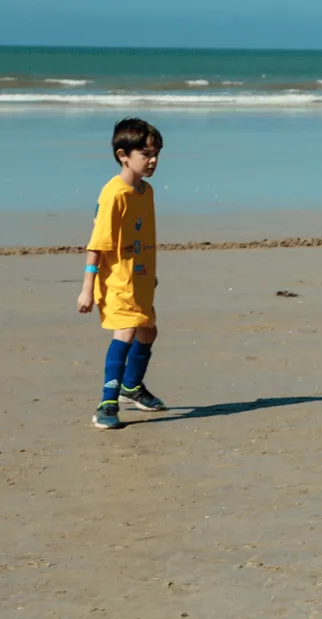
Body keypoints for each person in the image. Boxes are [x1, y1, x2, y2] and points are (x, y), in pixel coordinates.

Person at [77, 118, 167, 430]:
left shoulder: (146, 191)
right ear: (123, 155)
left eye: (156, 154)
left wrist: (150, 274)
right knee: (126, 332)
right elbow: (96, 245)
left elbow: (145, 236)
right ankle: (107, 403)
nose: (153, 160)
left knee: (148, 331)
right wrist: (87, 287)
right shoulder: (113, 195)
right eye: (146, 154)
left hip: (140, 278)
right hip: (116, 280)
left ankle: (132, 387)